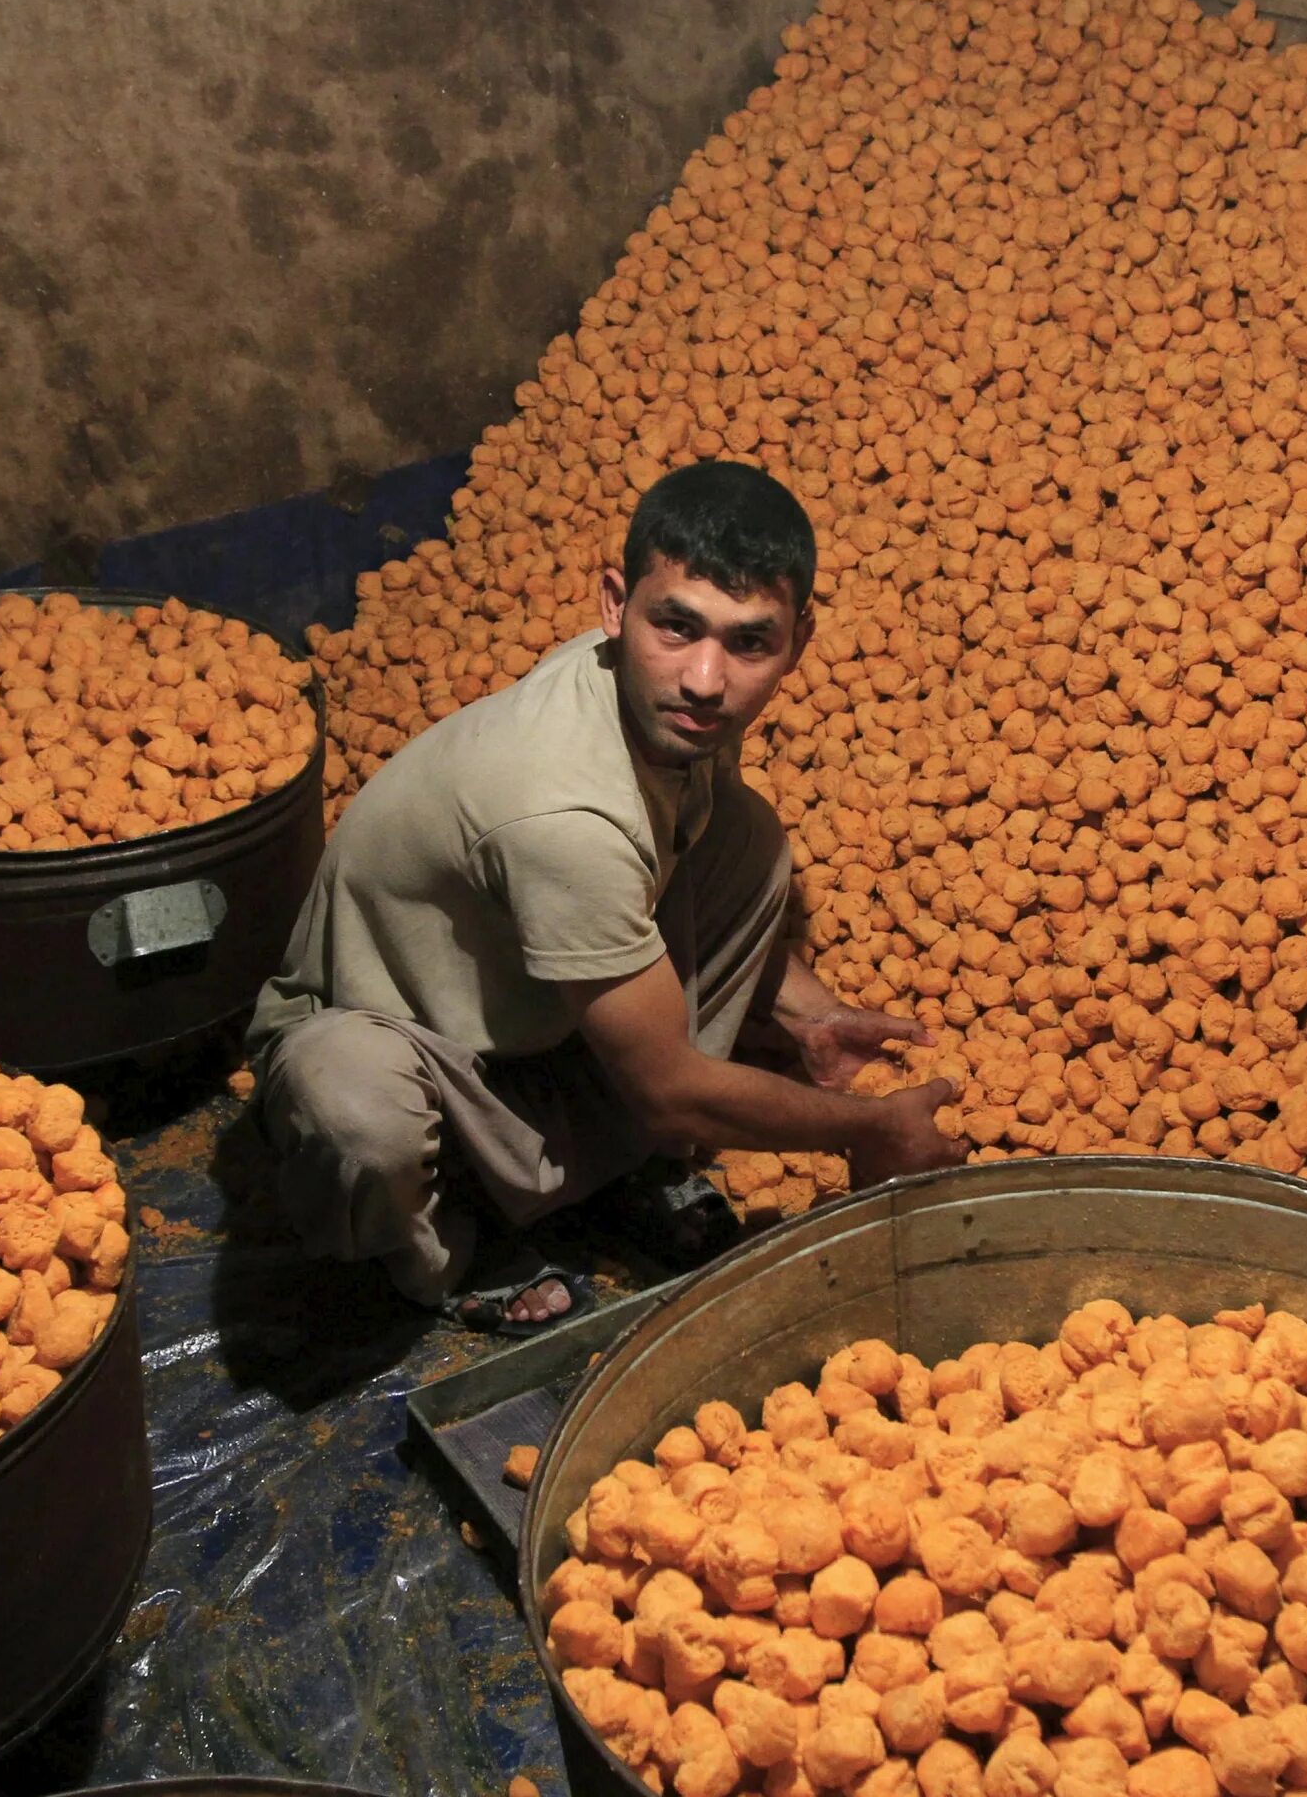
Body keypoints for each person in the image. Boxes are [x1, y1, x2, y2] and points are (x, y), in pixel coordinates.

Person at [247, 461, 961, 1328]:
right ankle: (444, 1243)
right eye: (677, 626)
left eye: (749, 642)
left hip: (531, 1018)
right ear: (614, 605)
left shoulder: (661, 704)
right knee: (355, 1109)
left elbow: (676, 880)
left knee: (747, 840)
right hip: (405, 1045)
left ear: (797, 641)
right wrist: (869, 1127)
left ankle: (608, 1168)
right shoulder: (564, 811)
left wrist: (808, 1014)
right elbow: (666, 1085)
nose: (705, 677)